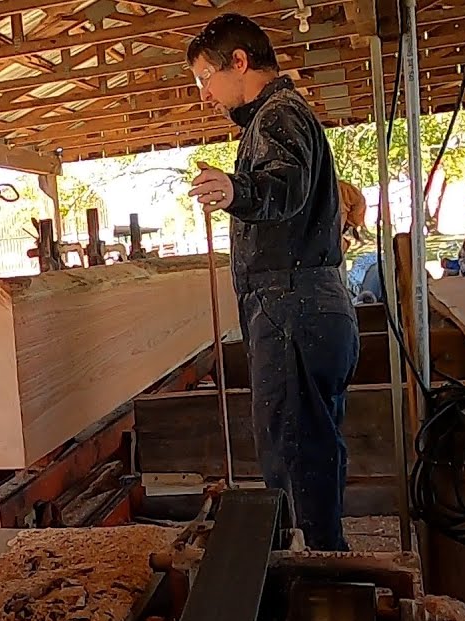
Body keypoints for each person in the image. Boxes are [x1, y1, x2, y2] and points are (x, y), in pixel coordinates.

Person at [186, 13, 359, 551]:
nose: (204, 96)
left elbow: (283, 186)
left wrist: (237, 191)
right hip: (307, 303)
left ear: (239, 63)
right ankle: (322, 567)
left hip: (291, 306)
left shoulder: (279, 116)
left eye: (204, 79)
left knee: (293, 451)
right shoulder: (281, 117)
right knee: (309, 447)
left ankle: (317, 579)